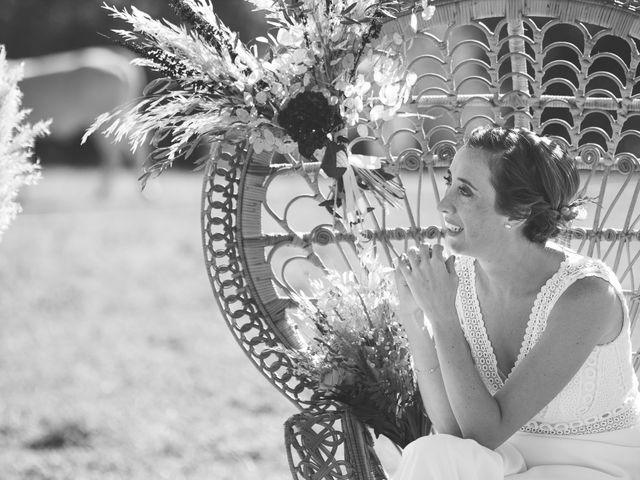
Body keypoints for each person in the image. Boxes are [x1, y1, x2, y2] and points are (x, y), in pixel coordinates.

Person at [393, 126, 640, 479]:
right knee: (430, 452)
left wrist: (443, 316)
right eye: (449, 182)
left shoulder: (587, 297)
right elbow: (453, 431)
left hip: (593, 468)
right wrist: (414, 318)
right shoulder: (456, 281)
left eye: (464, 191)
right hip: (506, 464)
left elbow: (483, 433)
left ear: (518, 212)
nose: (443, 203)